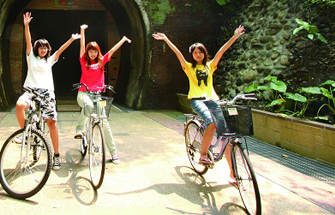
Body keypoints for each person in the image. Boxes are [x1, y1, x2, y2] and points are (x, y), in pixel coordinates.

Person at [152, 26, 245, 186]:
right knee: (211, 122)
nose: (198, 54)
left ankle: (232, 175)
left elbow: (222, 51)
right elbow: (178, 54)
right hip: (197, 99)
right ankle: (203, 153)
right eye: (195, 53)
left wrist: (234, 37)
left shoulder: (210, 65)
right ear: (192, 55)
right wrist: (166, 39)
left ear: (204, 53)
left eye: (200, 51)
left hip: (212, 100)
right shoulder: (188, 67)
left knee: (227, 137)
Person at [15, 12, 80, 171]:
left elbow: (60, 50)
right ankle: (26, 133)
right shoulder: (31, 58)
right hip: (31, 90)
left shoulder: (49, 60)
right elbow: (28, 41)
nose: (43, 50)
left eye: (45, 48)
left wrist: (71, 39)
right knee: (19, 105)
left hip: (47, 93)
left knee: (51, 122)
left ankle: (56, 156)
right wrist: (26, 26)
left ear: (47, 49)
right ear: (37, 49)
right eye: (41, 47)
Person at [74, 24, 131, 164]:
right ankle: (80, 130)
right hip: (84, 94)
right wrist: (82, 31)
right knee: (87, 105)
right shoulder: (83, 62)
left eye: (95, 51)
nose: (92, 53)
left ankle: (114, 153)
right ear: (87, 53)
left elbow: (112, 50)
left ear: (97, 52)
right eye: (90, 51)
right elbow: (81, 46)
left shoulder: (101, 62)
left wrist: (123, 40)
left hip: (98, 96)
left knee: (104, 123)